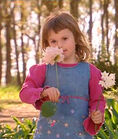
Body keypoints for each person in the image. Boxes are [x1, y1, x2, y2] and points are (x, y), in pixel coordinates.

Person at [19, 11, 106, 139]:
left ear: (75, 38)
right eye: (53, 41)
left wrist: (97, 114)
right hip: (47, 135)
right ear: (47, 44)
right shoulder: (43, 69)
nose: (59, 44)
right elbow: (24, 93)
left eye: (64, 38)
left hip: (79, 135)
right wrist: (43, 92)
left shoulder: (91, 72)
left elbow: (97, 100)